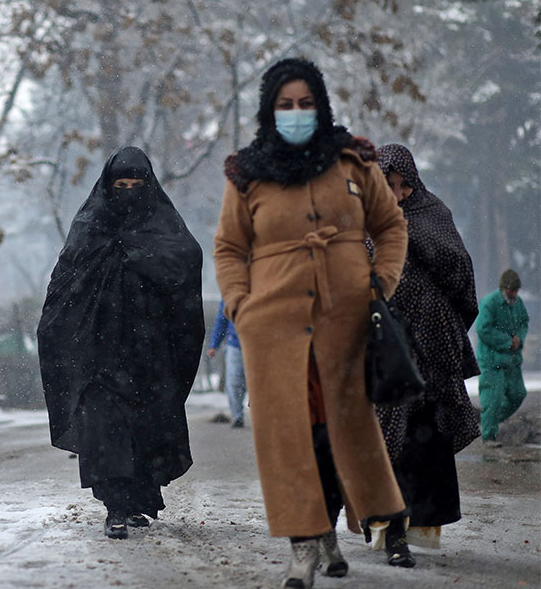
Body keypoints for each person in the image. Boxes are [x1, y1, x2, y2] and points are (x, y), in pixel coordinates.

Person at [214, 58, 412, 588]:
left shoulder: (353, 161)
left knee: (337, 434)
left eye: (305, 104)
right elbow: (230, 248)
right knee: (289, 438)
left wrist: (380, 283)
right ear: (269, 110)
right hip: (271, 330)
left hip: (345, 325)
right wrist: (240, 306)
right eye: (285, 105)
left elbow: (391, 226)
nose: (296, 113)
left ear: (320, 105)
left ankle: (331, 529)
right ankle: (304, 546)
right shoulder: (247, 173)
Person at [37, 146, 204, 540]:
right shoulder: (91, 227)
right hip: (98, 354)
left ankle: (136, 499)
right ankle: (115, 505)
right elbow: (64, 282)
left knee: (143, 428)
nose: (128, 192)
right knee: (105, 427)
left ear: (148, 187)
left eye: (136, 184)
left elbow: (186, 260)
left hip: (148, 354)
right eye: (120, 185)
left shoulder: (161, 228)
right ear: (108, 187)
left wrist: (143, 260)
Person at [375, 143, 482, 552]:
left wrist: (414, 239)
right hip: (385, 347)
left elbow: (459, 271)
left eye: (406, 186)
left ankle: (417, 523)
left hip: (432, 345)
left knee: (424, 440)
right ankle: (390, 529)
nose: (399, 194)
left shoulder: (432, 213)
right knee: (387, 436)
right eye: (390, 185)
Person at [475, 269, 530, 445]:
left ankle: (488, 421)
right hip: (492, 360)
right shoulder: (490, 303)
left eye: (516, 291)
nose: (514, 294)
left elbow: (524, 322)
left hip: (512, 359)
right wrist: (507, 341)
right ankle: (489, 435)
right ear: (504, 288)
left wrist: (518, 339)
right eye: (511, 290)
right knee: (493, 397)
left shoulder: (518, 303)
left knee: (518, 394)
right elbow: (483, 329)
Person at [206, 300, 247, 428]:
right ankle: (237, 416)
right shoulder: (229, 295)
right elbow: (221, 320)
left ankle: (262, 416)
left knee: (256, 383)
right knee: (233, 381)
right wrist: (214, 345)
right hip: (234, 344)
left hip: (256, 344)